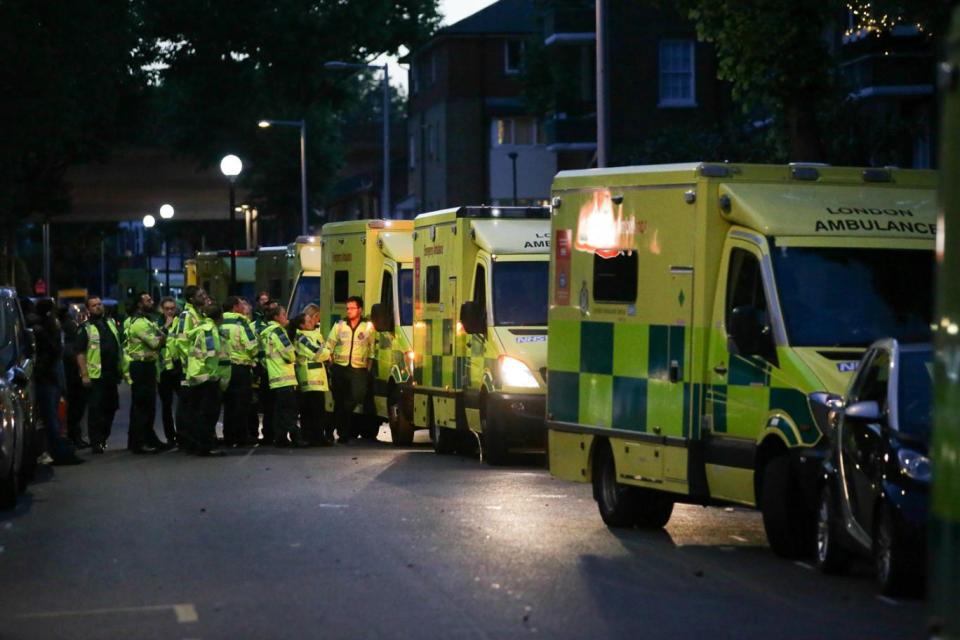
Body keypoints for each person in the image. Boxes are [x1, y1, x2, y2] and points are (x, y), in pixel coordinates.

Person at [31, 299, 83, 465]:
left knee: (52, 418)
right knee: (51, 419)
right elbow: (53, 354)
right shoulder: (44, 329)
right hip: (47, 378)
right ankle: (57, 452)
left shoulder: (47, 327)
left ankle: (54, 450)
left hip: (49, 377)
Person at [76, 296, 124, 454]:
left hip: (111, 374)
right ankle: (96, 441)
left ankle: (103, 437)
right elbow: (80, 353)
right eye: (94, 305)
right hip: (96, 376)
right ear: (88, 309)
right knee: (96, 410)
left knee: (111, 407)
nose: (98, 307)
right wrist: (84, 374)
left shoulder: (110, 323)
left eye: (99, 304)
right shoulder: (86, 328)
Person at [326, 296, 376, 443]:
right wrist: (331, 364)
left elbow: (372, 350)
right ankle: (342, 434)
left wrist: (369, 369)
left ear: (360, 310)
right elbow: (329, 345)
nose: (349, 311)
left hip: (359, 369)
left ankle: (336, 426)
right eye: (347, 308)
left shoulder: (368, 327)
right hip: (340, 368)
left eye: (352, 308)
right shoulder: (339, 325)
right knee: (339, 401)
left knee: (357, 396)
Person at [124, 292, 168, 453]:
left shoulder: (146, 320)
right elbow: (156, 342)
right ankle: (138, 443)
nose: (152, 301)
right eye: (148, 300)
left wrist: (161, 336)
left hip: (148, 366)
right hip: (141, 367)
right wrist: (161, 337)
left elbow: (161, 337)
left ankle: (149, 439)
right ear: (139, 304)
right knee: (142, 407)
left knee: (148, 406)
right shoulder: (140, 323)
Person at [261, 305, 309, 447]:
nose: (286, 317)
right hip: (284, 377)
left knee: (279, 411)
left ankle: (280, 438)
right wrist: (293, 356)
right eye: (283, 314)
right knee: (290, 410)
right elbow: (289, 353)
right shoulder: (279, 332)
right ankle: (296, 437)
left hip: (275, 377)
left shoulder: (267, 332)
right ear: (276, 317)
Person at [184, 301, 227, 457]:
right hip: (206, 377)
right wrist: (216, 376)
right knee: (208, 415)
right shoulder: (210, 331)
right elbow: (211, 354)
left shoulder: (199, 329)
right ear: (219, 316)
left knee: (195, 413)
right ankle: (205, 446)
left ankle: (194, 445)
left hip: (194, 374)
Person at [220, 296, 259, 447]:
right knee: (242, 404)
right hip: (240, 368)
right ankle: (241, 437)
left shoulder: (220, 321)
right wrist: (253, 356)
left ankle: (228, 437)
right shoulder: (242, 322)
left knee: (229, 404)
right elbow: (251, 345)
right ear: (235, 307)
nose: (244, 307)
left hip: (224, 366)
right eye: (241, 304)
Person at [172, 286, 206, 451]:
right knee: (187, 404)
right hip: (188, 367)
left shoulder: (199, 314)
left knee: (195, 404)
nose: (204, 296)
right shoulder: (187, 315)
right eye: (201, 294)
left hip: (196, 366)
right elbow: (182, 341)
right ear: (191, 299)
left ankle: (193, 437)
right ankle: (185, 439)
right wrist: (190, 361)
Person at [292, 304, 331, 445]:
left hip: (318, 378)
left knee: (319, 410)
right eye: (308, 321)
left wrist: (324, 352)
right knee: (309, 410)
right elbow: (318, 353)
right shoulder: (301, 337)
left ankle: (317, 436)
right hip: (308, 379)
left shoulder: (316, 333)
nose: (313, 323)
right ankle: (310, 436)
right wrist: (326, 353)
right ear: (302, 325)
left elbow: (323, 349)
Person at [60, 303, 89, 448]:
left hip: (72, 373)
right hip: (73, 374)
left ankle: (75, 436)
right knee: (76, 407)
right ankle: (74, 436)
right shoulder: (71, 327)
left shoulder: (70, 326)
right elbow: (72, 351)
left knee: (76, 407)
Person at [254, 298, 279, 444]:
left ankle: (270, 434)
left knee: (271, 407)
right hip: (269, 371)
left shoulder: (256, 327)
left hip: (268, 370)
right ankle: (270, 434)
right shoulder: (273, 330)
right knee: (271, 406)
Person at [157, 296, 180, 446]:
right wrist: (166, 325)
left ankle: (183, 433)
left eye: (172, 308)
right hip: (163, 369)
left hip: (178, 367)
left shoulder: (180, 321)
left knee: (184, 402)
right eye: (167, 309)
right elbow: (155, 342)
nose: (170, 311)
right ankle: (170, 436)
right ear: (162, 309)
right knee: (166, 405)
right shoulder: (157, 323)